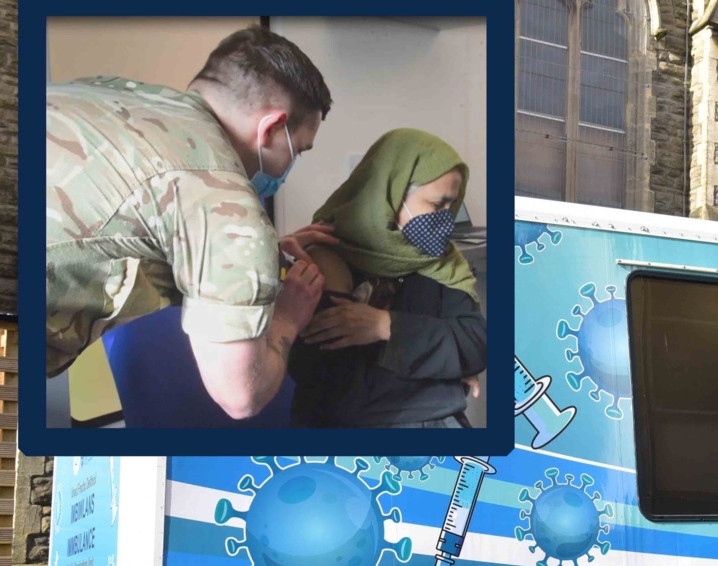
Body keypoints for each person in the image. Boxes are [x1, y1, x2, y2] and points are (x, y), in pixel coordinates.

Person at [46, 25, 338, 420]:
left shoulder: (115, 93)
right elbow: (240, 397)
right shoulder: (225, 199)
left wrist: (260, 251)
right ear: (270, 128)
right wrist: (287, 318)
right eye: (298, 149)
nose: (292, 164)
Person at [288, 129, 486, 428]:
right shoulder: (325, 253)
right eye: (436, 205)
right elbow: (340, 391)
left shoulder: (442, 261)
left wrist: (385, 326)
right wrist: (448, 387)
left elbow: (476, 345)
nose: (446, 217)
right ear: (392, 191)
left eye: (452, 205)